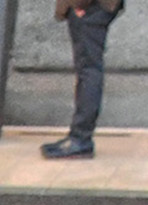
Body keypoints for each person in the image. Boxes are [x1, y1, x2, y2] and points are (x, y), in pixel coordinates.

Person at [44, 0, 122, 157]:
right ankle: (79, 137)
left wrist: (80, 4)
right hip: (93, 6)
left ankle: (80, 138)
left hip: (91, 6)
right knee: (88, 69)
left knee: (88, 70)